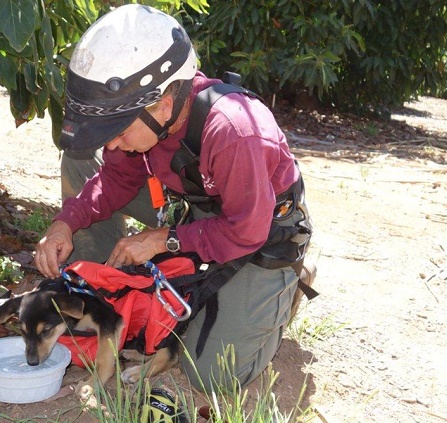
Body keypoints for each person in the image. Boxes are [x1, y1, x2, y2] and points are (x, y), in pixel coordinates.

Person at [34, 4, 313, 392]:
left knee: (213, 375)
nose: (111, 141)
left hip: (259, 226)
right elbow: (114, 180)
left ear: (163, 103)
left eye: (116, 129)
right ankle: (99, 297)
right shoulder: (146, 121)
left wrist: (162, 240)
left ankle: (281, 289)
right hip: (195, 206)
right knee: (81, 162)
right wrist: (65, 222)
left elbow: (245, 229)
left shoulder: (234, 130)